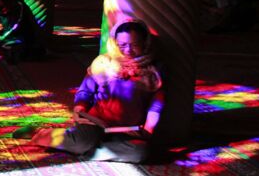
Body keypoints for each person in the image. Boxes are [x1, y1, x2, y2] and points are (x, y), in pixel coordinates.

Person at [28, 20, 164, 163]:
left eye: (134, 45)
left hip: (126, 130)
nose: (128, 50)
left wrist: (149, 127)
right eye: (122, 45)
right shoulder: (103, 62)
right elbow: (85, 91)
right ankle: (43, 134)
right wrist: (80, 108)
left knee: (141, 153)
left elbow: (157, 103)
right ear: (115, 43)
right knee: (83, 141)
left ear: (145, 43)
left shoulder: (153, 71)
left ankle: (90, 150)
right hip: (95, 122)